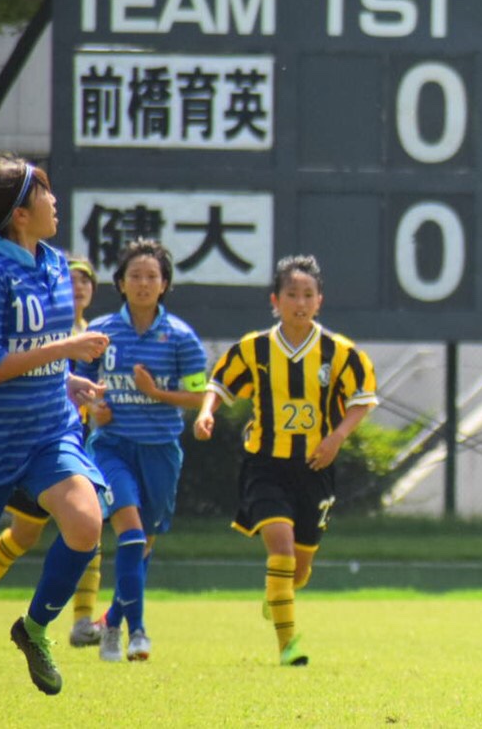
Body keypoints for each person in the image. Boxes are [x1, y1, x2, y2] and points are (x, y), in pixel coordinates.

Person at [194, 254, 378, 667]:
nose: (300, 301)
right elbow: (220, 383)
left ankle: (279, 597)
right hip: (265, 465)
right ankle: (288, 644)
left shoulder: (340, 352)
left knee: (300, 570)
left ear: (319, 302)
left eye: (307, 295)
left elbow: (362, 399)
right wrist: (207, 412)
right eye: (291, 294)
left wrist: (336, 437)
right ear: (275, 300)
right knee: (280, 548)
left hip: (315, 468)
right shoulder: (254, 348)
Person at [0, 155, 111, 694]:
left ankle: (34, 628)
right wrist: (65, 347)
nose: (55, 201)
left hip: (48, 431)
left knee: (86, 522)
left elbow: (34, 353)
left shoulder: (59, 265)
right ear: (19, 212)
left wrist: (65, 378)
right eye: (45, 193)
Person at [73, 239, 207, 662]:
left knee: (142, 545)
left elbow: (201, 396)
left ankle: (112, 622)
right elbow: (77, 385)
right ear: (121, 283)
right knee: (129, 533)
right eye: (136, 276)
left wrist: (156, 393)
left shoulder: (181, 337)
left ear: (164, 284)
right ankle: (138, 632)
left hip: (161, 452)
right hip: (112, 448)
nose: (144, 283)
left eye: (152, 276)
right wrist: (95, 405)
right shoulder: (104, 332)